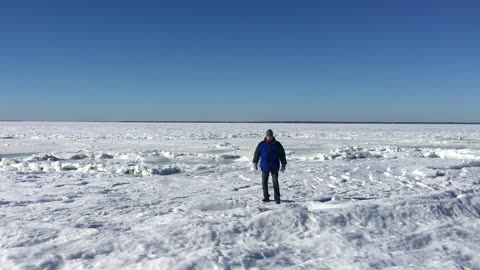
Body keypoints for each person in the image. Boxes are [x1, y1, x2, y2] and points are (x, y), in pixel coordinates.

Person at [252, 129, 287, 204]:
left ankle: (277, 198)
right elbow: (256, 154)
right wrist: (255, 162)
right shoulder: (261, 144)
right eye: (268, 136)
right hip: (265, 166)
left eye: (270, 136)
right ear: (266, 136)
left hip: (274, 166)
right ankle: (266, 197)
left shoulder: (277, 144)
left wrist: (283, 164)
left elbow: (282, 154)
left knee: (275, 182)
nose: (269, 137)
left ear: (272, 136)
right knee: (264, 182)